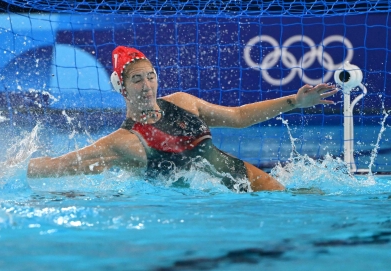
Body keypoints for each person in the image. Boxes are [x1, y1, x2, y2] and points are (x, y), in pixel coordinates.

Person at [28, 46, 339, 192]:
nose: (147, 85)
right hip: (210, 208)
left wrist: (294, 102)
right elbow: (59, 166)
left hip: (253, 183)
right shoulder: (123, 142)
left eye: (151, 76)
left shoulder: (184, 103)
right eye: (137, 80)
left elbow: (239, 117)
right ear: (121, 87)